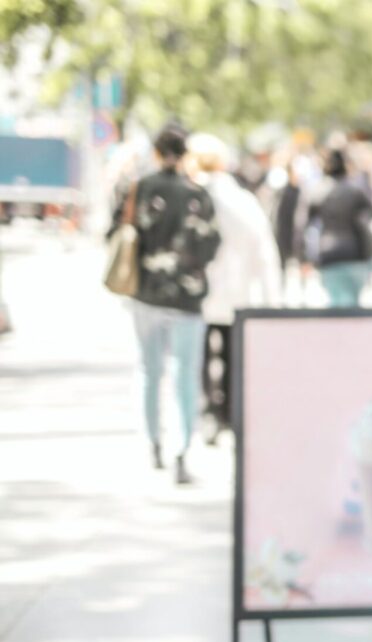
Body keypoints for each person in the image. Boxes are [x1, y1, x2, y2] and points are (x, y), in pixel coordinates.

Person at [110, 124, 222, 484]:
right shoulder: (197, 195)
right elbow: (211, 246)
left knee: (150, 370)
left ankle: (153, 442)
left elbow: (119, 232)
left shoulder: (140, 188)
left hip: (146, 293)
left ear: (157, 153)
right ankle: (182, 449)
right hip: (186, 297)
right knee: (185, 374)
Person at [186, 133, 282, 443]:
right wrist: (271, 297)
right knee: (230, 352)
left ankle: (206, 410)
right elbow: (263, 248)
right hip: (235, 290)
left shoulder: (192, 194)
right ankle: (226, 410)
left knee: (198, 353)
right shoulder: (240, 198)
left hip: (198, 290)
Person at [307, 148, 372, 307]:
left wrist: (304, 256)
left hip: (330, 253)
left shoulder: (318, 191)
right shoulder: (355, 191)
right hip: (354, 252)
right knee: (351, 304)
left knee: (336, 303)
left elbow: (305, 224)